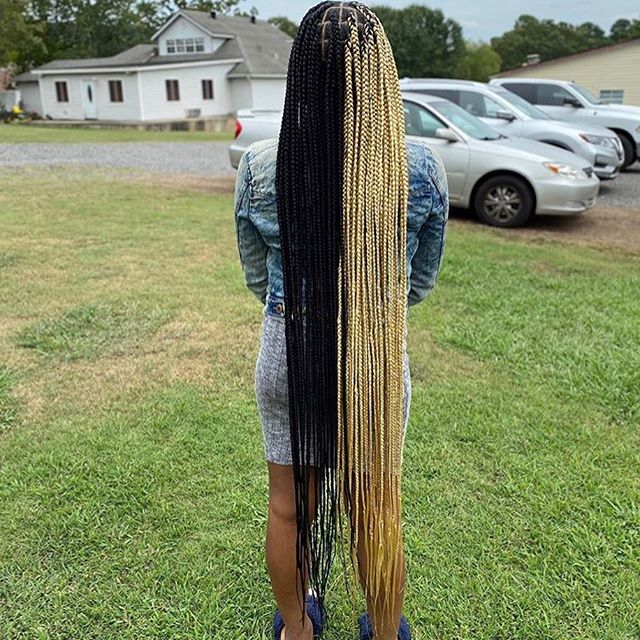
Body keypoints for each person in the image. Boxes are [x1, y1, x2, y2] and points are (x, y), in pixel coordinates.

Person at [233, 2, 448, 639]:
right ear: (381, 75)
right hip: (374, 356)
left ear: (298, 73)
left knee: (288, 506)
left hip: (288, 348)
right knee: (376, 506)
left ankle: (296, 628)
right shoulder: (421, 169)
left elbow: (254, 275)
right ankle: (385, 632)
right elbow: (420, 282)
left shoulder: (260, 165)